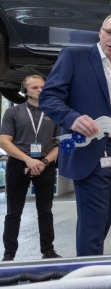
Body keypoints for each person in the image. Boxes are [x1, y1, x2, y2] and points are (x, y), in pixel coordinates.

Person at [39, 13, 111, 257]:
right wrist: (72, 118)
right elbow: (48, 97)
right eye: (108, 32)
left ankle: (87, 273)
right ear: (100, 31)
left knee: (102, 222)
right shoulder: (75, 57)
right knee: (92, 225)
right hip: (91, 149)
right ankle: (88, 285)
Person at [0, 75, 60, 261]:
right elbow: (4, 141)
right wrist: (28, 160)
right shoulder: (13, 112)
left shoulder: (54, 113)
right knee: (13, 212)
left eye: (42, 87)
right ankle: (9, 255)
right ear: (24, 91)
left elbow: (59, 145)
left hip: (45, 164)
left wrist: (43, 163)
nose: (40, 90)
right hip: (19, 163)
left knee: (45, 211)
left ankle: (48, 251)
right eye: (34, 87)